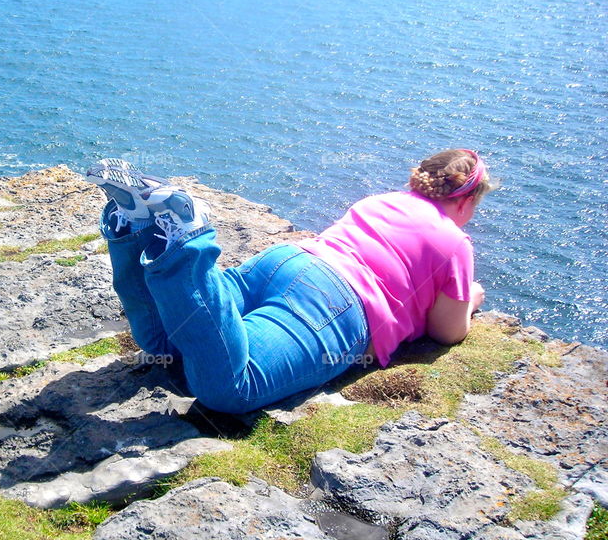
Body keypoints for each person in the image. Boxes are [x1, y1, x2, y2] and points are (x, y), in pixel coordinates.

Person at [86, 150, 492, 414]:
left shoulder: (382, 200)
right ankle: (188, 239)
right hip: (333, 304)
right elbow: (447, 330)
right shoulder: (454, 242)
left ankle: (136, 227)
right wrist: (470, 300)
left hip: (288, 261)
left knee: (166, 343)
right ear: (466, 200)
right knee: (229, 388)